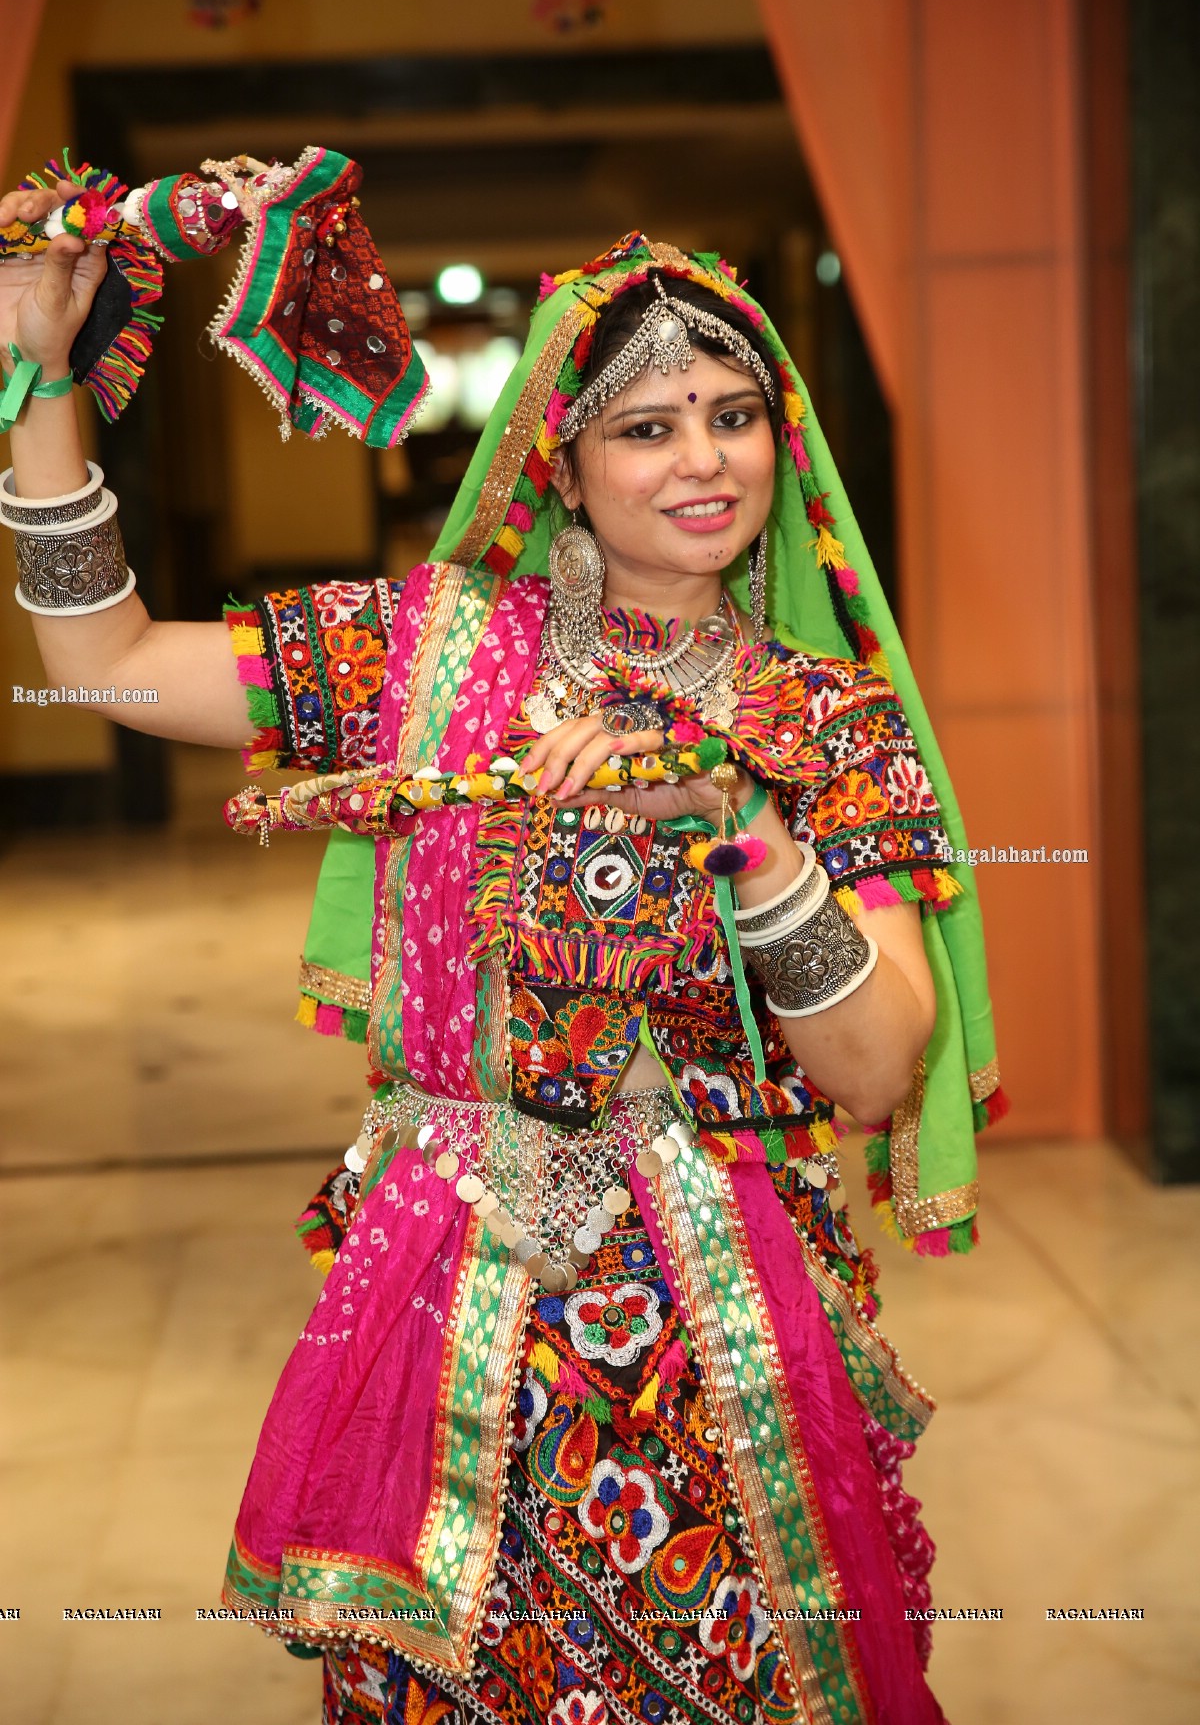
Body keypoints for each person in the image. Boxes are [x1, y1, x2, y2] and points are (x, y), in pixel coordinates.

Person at [2, 176, 1003, 1725]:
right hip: (447, 1283)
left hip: (714, 1321)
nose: (701, 460)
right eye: (647, 426)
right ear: (567, 455)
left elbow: (875, 1072)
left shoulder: (824, 715)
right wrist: (47, 390)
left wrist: (738, 822)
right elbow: (108, 671)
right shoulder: (433, 650)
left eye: (731, 415)